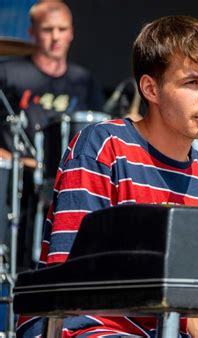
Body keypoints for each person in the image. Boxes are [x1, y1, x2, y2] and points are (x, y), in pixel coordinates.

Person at [16, 15, 198, 337]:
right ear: (151, 88)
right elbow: (71, 276)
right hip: (83, 324)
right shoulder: (104, 147)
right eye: (192, 82)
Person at [0, 1, 104, 269]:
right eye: (48, 29)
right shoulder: (9, 74)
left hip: (69, 183)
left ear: (71, 33)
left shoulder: (84, 80)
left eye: (62, 29)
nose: (56, 37)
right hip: (18, 182)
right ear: (32, 32)